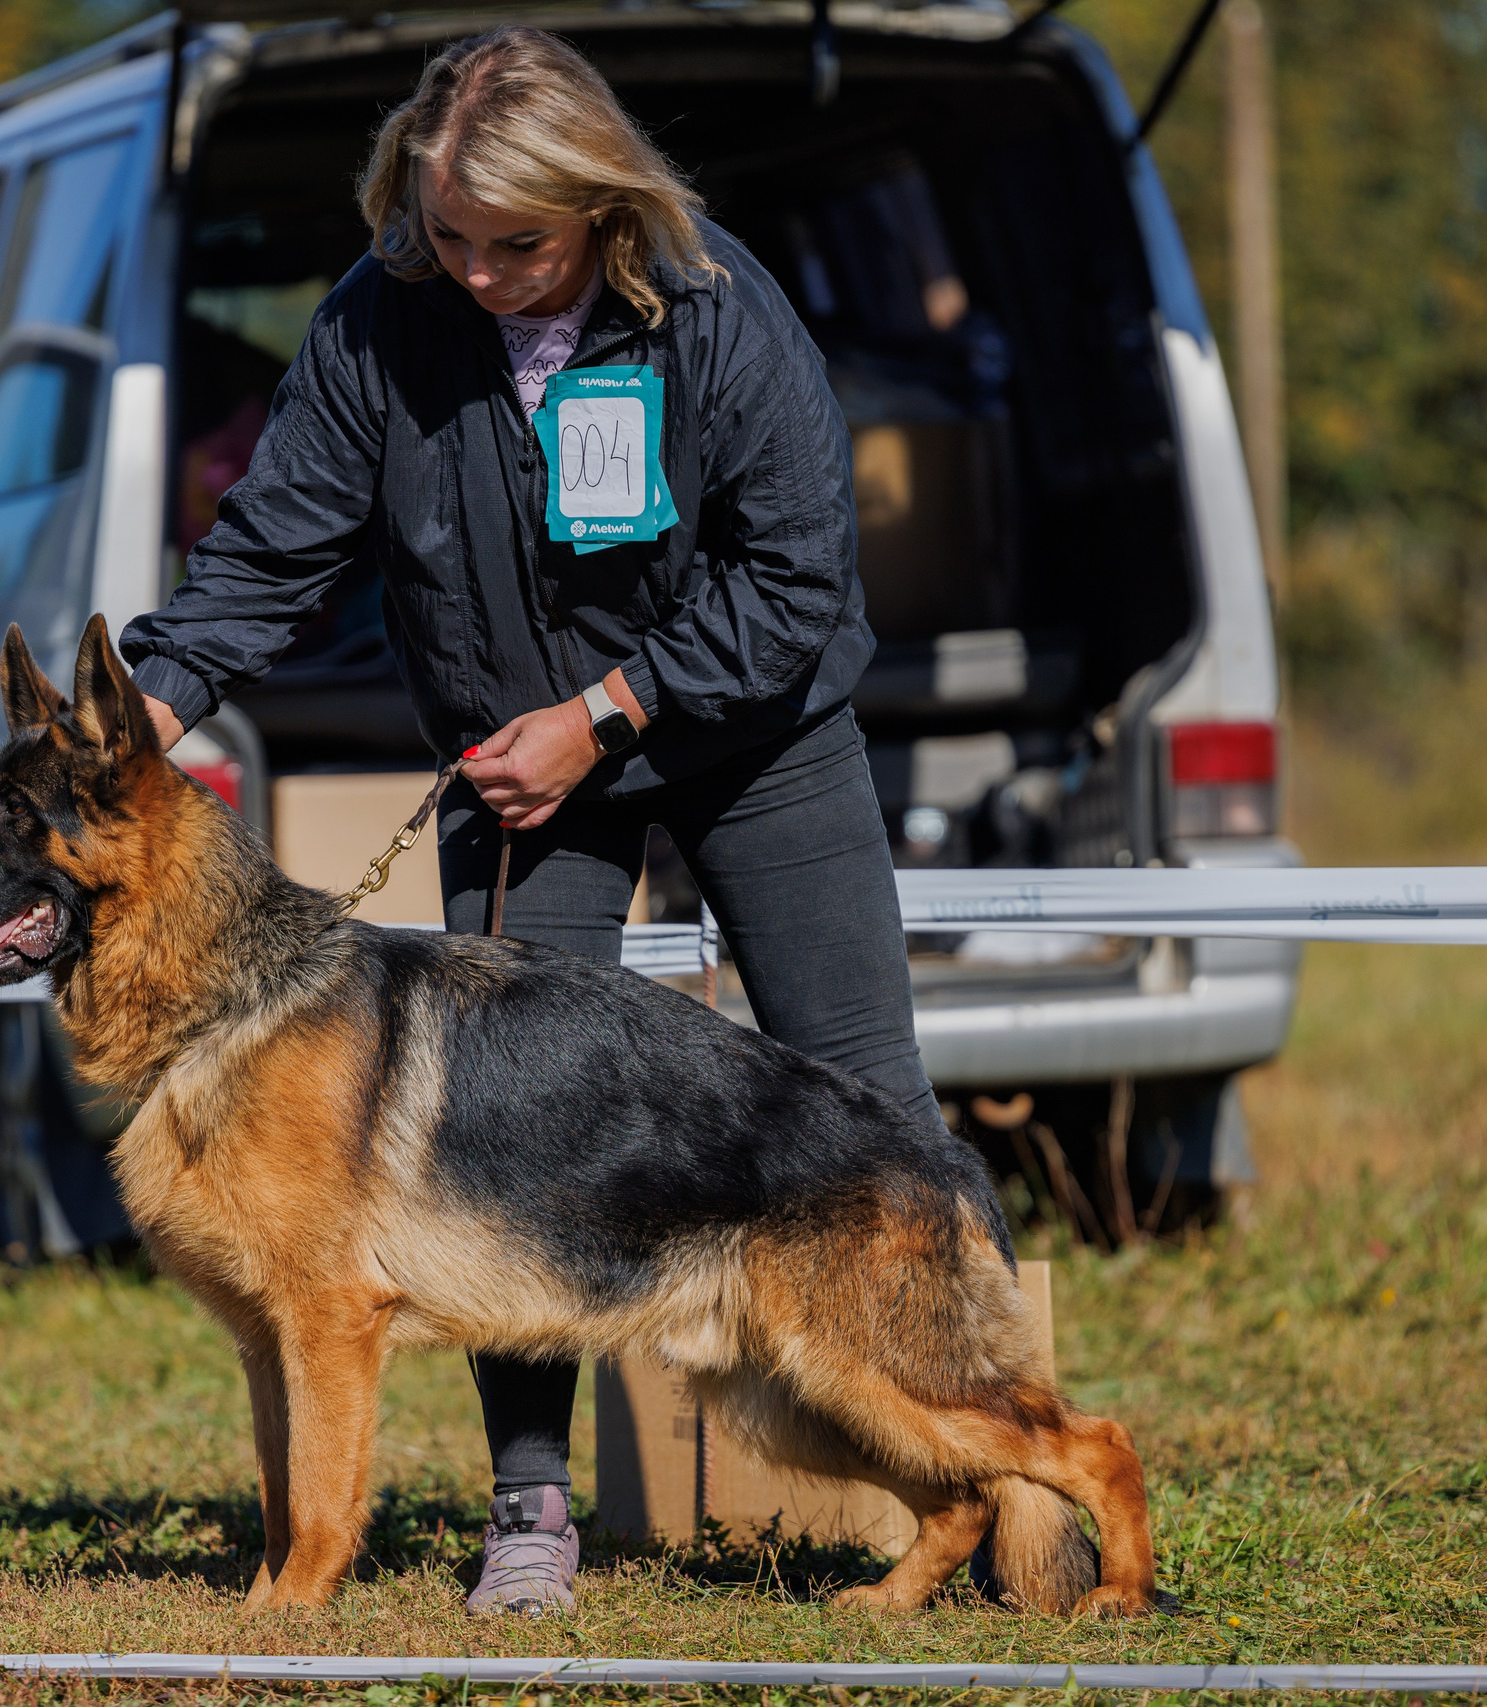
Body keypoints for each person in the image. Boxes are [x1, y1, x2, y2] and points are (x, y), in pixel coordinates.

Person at [119, 29, 947, 1615]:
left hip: (757, 734)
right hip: (517, 764)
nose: (480, 275)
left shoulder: (718, 308)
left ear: (603, 207)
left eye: (519, 245)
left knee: (873, 1105)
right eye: (449, 236)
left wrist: (612, 710)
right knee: (500, 1137)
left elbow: (794, 578)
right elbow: (274, 546)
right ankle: (531, 1516)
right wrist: (144, 709)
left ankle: (987, 1473)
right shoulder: (380, 318)